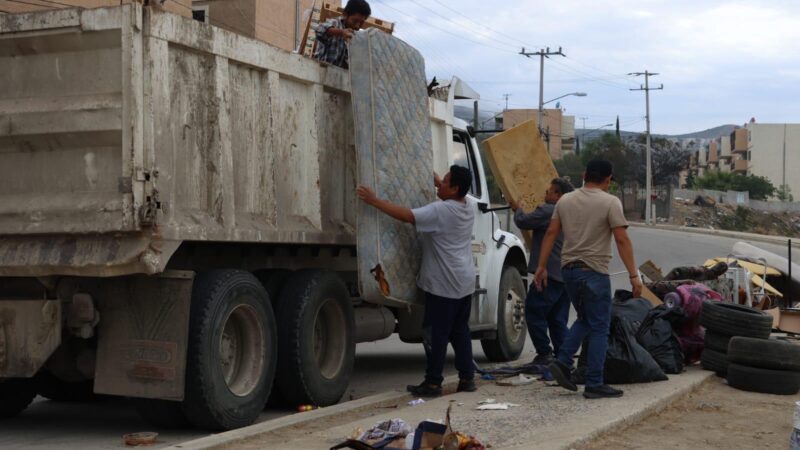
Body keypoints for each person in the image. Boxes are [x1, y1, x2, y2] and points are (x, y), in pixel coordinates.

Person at [356, 166, 476, 397]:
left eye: (445, 181)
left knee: (436, 334)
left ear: (455, 189)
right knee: (460, 331)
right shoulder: (467, 206)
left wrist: (374, 201)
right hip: (464, 280)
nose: (440, 183)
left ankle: (433, 383)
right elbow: (448, 190)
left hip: (444, 283)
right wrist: (435, 179)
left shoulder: (441, 211)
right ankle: (467, 378)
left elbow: (407, 216)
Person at [533, 159, 642, 399]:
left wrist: (541, 266)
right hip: (594, 271)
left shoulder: (565, 200)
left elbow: (551, 233)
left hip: (568, 271)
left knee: (585, 318)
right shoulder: (610, 202)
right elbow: (622, 239)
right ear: (608, 179)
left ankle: (562, 362)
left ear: (584, 174)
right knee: (600, 326)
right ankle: (594, 382)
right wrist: (634, 275)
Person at [511, 178, 574, 367]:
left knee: (533, 311)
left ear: (558, 195)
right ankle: (564, 359)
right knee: (557, 318)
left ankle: (544, 353)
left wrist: (517, 208)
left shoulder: (549, 210)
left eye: (549, 191)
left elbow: (523, 221)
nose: (545, 195)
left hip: (549, 274)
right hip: (566, 274)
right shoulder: (571, 210)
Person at [313, 0, 371, 69]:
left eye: (361, 23)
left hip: (338, 76)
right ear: (346, 14)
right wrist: (341, 32)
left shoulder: (355, 37)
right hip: (320, 71)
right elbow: (319, 29)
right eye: (355, 21)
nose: (357, 26)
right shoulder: (335, 23)